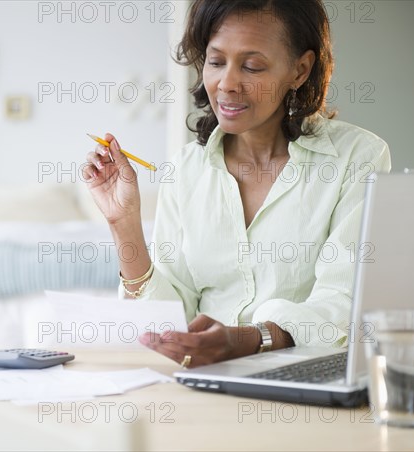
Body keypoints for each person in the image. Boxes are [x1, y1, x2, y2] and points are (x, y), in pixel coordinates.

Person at [83, 0, 390, 368]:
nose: (226, 84)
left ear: (300, 70)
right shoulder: (186, 169)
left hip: (304, 380)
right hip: (204, 380)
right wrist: (124, 225)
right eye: (215, 62)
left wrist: (248, 340)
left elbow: (343, 302)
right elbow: (170, 316)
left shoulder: (357, 158)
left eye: (252, 66)